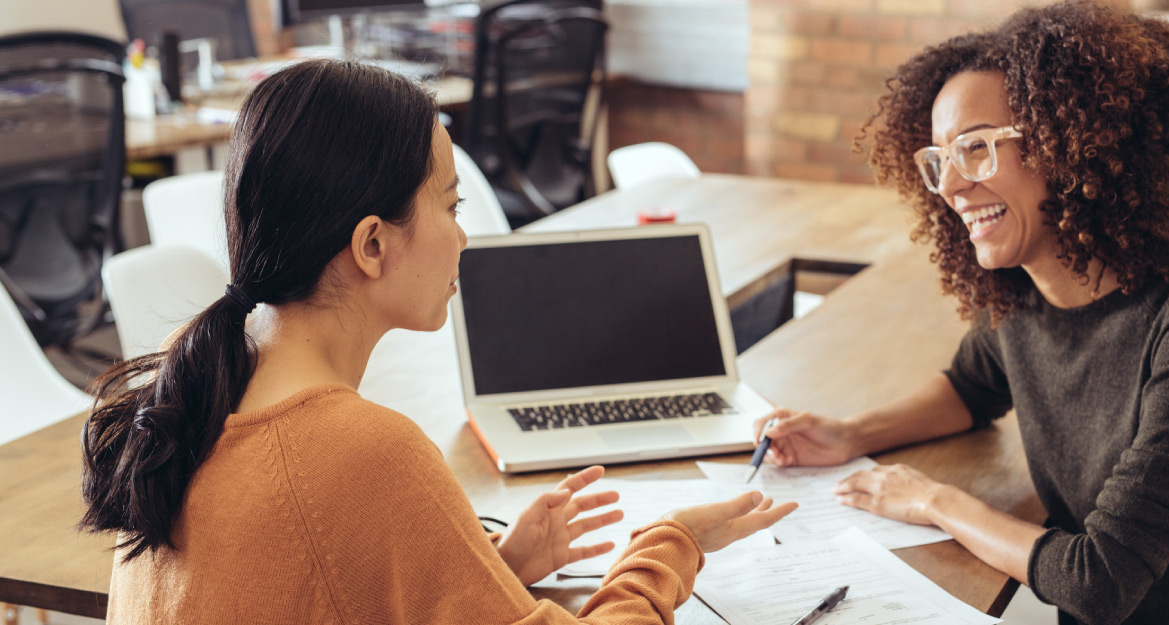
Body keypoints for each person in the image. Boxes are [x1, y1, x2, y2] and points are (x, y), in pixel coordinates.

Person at [79, 59, 796, 623]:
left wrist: (490, 566)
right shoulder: (363, 450)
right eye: (451, 206)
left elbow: (312, 586)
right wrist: (671, 542)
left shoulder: (195, 374)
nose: (463, 235)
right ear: (370, 243)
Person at [752, 3, 1169, 624]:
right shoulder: (1023, 295)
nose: (950, 186)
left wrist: (933, 501)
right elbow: (970, 388)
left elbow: (1099, 579)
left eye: (976, 148)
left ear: (1073, 146)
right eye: (940, 159)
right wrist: (850, 434)